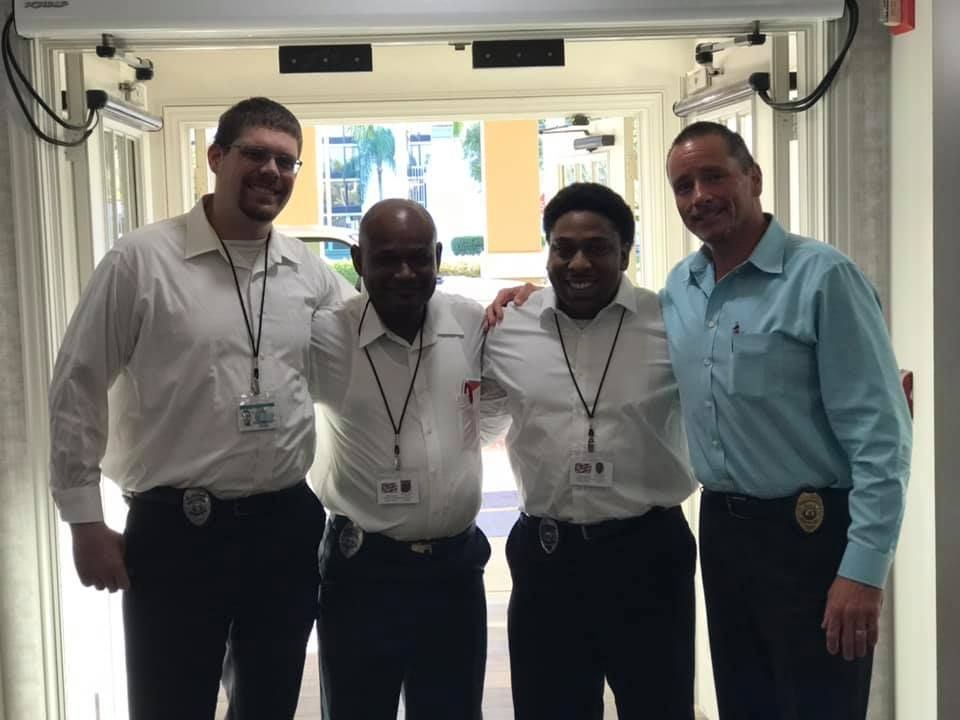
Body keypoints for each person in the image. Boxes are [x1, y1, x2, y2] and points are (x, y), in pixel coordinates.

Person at [48, 97, 353, 720]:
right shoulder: (141, 261)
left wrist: (503, 308)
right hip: (177, 533)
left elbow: (377, 336)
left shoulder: (308, 270)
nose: (272, 171)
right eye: (256, 154)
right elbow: (77, 382)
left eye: (287, 162)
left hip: (284, 529)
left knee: (268, 704)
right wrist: (83, 520)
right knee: (169, 705)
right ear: (216, 157)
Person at [661, 121, 912, 719]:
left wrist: (864, 572)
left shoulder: (823, 278)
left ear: (754, 178)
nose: (699, 196)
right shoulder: (681, 288)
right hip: (723, 532)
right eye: (683, 185)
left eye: (714, 176)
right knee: (746, 705)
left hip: (813, 537)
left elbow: (881, 438)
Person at [482, 183, 698, 719]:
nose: (578, 262)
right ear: (548, 250)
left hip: (648, 553)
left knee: (659, 708)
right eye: (563, 247)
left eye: (597, 248)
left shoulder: (671, 323)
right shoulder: (507, 328)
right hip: (547, 557)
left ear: (625, 254)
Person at [307, 199, 508, 720]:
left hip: (453, 574)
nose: (405, 273)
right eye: (387, 258)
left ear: (438, 256)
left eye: (419, 258)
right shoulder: (328, 336)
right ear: (358, 258)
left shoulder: (470, 322)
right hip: (362, 575)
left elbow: (488, 413)